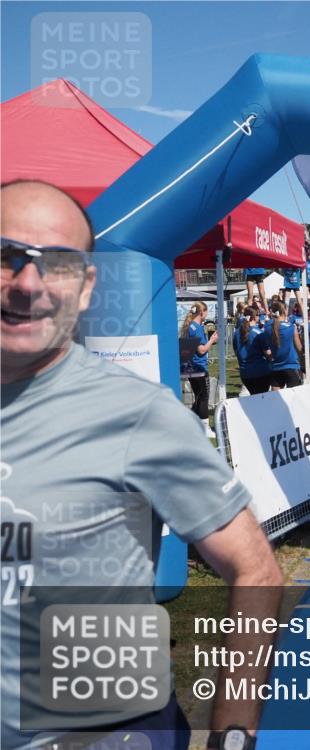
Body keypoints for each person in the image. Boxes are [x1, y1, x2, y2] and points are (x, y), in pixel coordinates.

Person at [0, 180, 282, 750]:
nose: (27, 284)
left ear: (85, 289)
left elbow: (257, 572)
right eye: (7, 257)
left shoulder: (135, 413)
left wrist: (231, 736)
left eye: (56, 265)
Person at [179, 300, 218, 438]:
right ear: (202, 312)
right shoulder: (196, 328)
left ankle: (191, 423)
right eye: (206, 311)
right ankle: (204, 428)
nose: (207, 314)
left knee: (199, 397)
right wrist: (212, 340)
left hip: (190, 367)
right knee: (203, 398)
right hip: (198, 367)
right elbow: (201, 350)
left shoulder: (190, 326)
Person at [255, 301, 303, 390]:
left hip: (275, 367)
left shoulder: (267, 326)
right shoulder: (291, 327)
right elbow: (299, 348)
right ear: (284, 311)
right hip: (291, 366)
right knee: (294, 400)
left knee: (275, 400)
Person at [233, 307, 271, 395]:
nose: (259, 317)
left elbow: (236, 353)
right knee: (262, 399)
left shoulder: (236, 333)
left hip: (245, 374)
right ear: (254, 317)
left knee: (253, 398)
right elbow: (268, 354)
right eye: (258, 315)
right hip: (260, 372)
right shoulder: (258, 333)